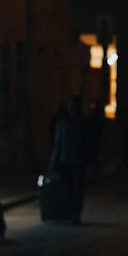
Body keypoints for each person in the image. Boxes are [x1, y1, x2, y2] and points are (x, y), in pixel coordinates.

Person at [49, 95, 88, 223]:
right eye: (70, 106)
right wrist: (54, 160)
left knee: (77, 187)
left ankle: (75, 213)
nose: (71, 109)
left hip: (79, 160)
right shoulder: (63, 122)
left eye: (73, 106)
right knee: (67, 186)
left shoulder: (83, 123)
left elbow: (89, 143)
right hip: (65, 160)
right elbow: (58, 142)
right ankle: (69, 211)